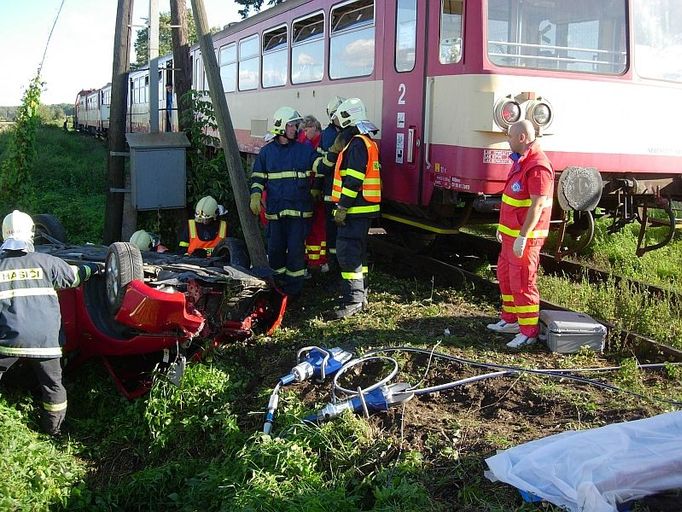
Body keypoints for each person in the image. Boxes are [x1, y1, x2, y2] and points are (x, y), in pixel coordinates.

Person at [0, 210, 101, 435]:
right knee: (53, 386)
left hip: (9, 341)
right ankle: (52, 431)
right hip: (47, 341)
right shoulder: (47, 262)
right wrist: (94, 268)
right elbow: (75, 276)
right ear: (31, 234)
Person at [486, 120, 554, 348]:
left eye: (511, 137)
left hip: (524, 239)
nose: (508, 141)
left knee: (523, 283)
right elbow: (513, 201)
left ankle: (528, 331)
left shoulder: (537, 166)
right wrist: (502, 228)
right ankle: (511, 320)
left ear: (522, 138)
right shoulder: (521, 162)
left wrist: (523, 236)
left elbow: (537, 206)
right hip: (510, 236)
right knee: (506, 278)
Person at [249, 106, 318, 298]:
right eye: (293, 125)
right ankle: (276, 289)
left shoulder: (304, 150)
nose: (296, 129)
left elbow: (319, 165)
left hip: (298, 213)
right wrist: (255, 195)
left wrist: (333, 156)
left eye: (296, 126)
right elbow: (257, 178)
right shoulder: (266, 153)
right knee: (275, 251)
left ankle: (293, 292)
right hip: (276, 213)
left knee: (296, 252)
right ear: (282, 127)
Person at [325, 98, 381, 319]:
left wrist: (342, 207)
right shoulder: (364, 141)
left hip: (355, 209)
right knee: (358, 254)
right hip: (362, 208)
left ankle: (353, 301)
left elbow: (353, 180)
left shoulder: (357, 143)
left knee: (348, 253)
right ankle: (361, 294)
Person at [298, 115, 328, 273]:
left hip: (313, 191)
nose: (304, 132)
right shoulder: (308, 142)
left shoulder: (313, 143)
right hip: (309, 191)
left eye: (307, 129)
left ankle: (315, 261)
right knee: (313, 227)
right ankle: (313, 260)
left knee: (315, 227)